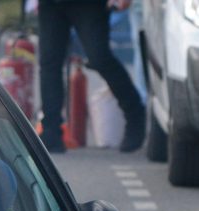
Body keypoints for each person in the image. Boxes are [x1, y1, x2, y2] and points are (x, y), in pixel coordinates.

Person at [37, 0, 146, 153]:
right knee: (49, 63)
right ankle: (51, 131)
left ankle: (135, 113)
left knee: (100, 58)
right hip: (52, 4)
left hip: (90, 4)